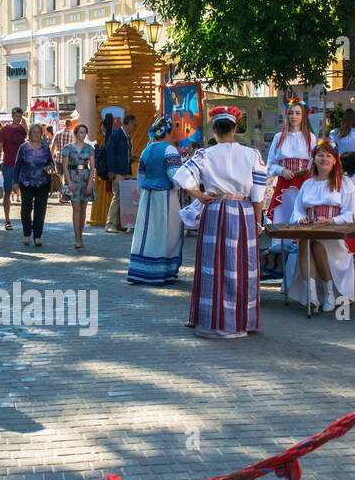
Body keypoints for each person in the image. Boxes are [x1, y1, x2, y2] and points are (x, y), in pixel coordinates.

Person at [171, 106, 267, 338]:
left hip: (216, 209)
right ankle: (242, 320)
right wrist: (257, 221)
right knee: (242, 266)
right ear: (235, 129)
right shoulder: (252, 155)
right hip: (243, 212)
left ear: (214, 129)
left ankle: (211, 318)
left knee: (213, 265)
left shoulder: (205, 154)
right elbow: (258, 193)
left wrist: (199, 195)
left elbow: (181, 176)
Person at [284, 140, 355, 312]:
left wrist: (331, 221)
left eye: (328, 155)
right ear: (314, 159)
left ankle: (329, 293)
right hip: (310, 231)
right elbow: (297, 209)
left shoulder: (345, 183)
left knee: (315, 244)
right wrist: (301, 218)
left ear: (335, 160)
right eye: (320, 155)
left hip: (335, 235)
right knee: (306, 241)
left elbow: (351, 214)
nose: (324, 158)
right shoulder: (308, 183)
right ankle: (312, 296)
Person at [128, 116, 184, 284]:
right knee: (166, 232)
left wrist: (143, 192)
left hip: (148, 196)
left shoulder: (147, 150)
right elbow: (176, 177)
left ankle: (142, 271)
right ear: (167, 132)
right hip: (166, 196)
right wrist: (184, 188)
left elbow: (141, 177)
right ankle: (162, 272)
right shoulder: (170, 150)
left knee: (148, 231)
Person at [266, 95, 316, 225]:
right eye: (291, 113)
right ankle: (281, 244)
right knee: (283, 214)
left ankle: (300, 244)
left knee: (301, 214)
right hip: (284, 184)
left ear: (303, 116)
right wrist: (282, 170)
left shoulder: (310, 137)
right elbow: (270, 163)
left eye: (298, 113)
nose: (294, 116)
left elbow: (313, 161)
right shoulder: (279, 137)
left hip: (304, 183)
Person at [13, 123, 53, 248]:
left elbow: (51, 163)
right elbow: (17, 165)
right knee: (26, 209)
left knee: (40, 210)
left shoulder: (45, 147)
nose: (36, 134)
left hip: (42, 183)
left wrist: (48, 167)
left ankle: (37, 236)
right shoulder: (23, 147)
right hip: (26, 183)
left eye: (38, 132)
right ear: (30, 133)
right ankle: (26, 233)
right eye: (34, 132)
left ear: (42, 134)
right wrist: (14, 182)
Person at [59, 123, 94, 249]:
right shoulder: (68, 148)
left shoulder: (89, 148)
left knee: (84, 209)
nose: (83, 135)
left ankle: (81, 234)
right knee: (76, 208)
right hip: (73, 177)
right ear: (75, 133)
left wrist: (90, 182)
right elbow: (65, 167)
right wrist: (69, 182)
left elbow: (92, 167)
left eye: (85, 132)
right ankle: (77, 238)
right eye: (80, 132)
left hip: (85, 177)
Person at [0, 107, 27, 230]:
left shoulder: (22, 129)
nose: (18, 119)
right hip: (8, 164)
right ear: (12, 116)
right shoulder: (5, 130)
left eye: (20, 116)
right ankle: (7, 219)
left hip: (22, 164)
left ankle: (25, 218)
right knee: (7, 192)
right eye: (16, 116)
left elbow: (29, 140)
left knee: (25, 192)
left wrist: (25, 126)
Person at [105, 114, 136, 233]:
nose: (134, 127)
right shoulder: (117, 135)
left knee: (124, 198)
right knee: (117, 197)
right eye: (133, 124)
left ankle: (120, 223)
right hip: (118, 172)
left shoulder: (127, 137)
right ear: (127, 124)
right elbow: (110, 152)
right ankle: (110, 223)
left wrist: (130, 159)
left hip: (124, 171)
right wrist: (111, 170)